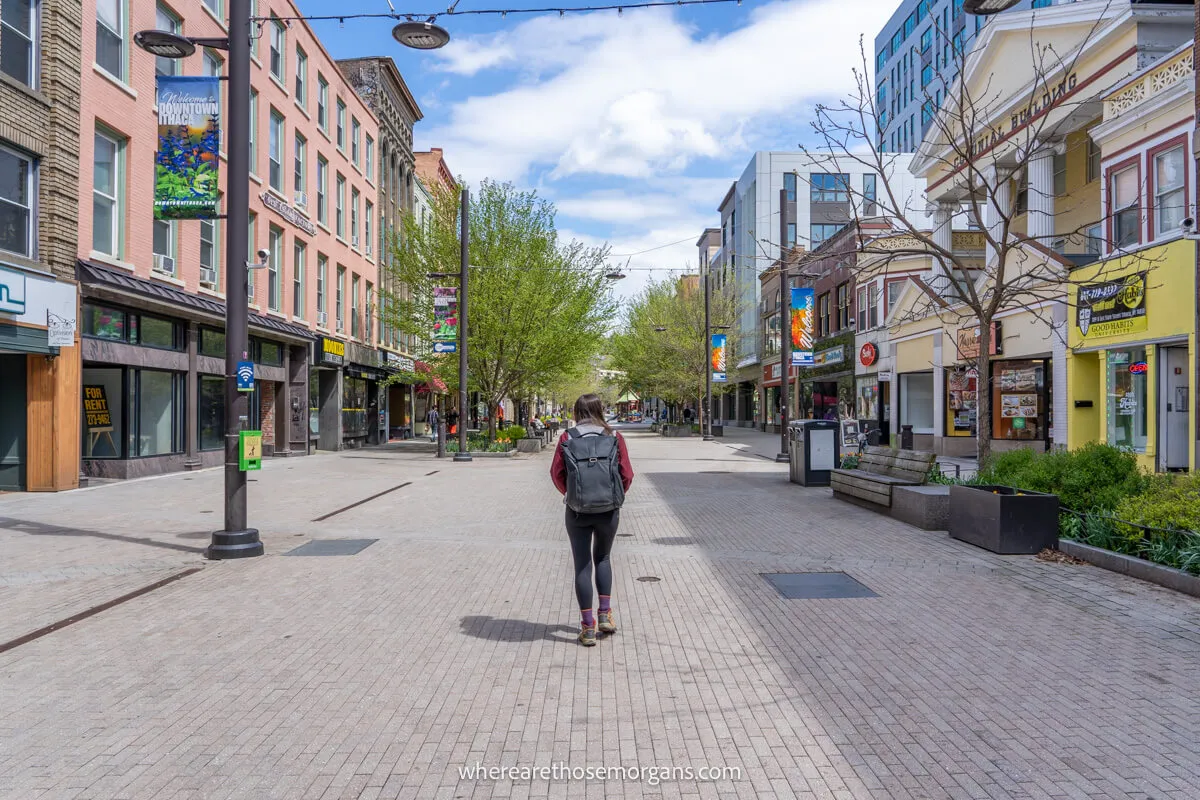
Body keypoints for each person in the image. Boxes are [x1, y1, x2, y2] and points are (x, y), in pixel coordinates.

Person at [550, 393, 634, 647]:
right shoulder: (614, 437)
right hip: (608, 510)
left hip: (577, 511)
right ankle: (605, 615)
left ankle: (588, 628)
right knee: (603, 558)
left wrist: (573, 494)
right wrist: (613, 496)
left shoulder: (567, 437)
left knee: (582, 565)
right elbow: (626, 474)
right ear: (599, 410)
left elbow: (556, 473)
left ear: (576, 411)